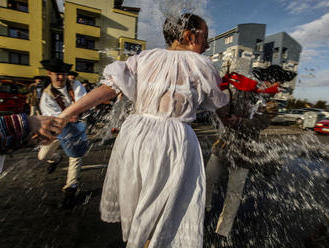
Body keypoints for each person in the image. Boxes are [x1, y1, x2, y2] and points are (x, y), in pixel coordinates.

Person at [57, 13, 229, 248]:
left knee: (141, 201)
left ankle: (143, 241)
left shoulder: (144, 58)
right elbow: (221, 107)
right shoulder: (202, 65)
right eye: (205, 38)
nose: (208, 45)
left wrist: (67, 114)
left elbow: (108, 88)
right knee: (165, 209)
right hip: (171, 140)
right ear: (189, 36)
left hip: (135, 135)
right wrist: (235, 115)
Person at [205, 72, 279, 238]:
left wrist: (238, 121)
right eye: (267, 81)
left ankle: (223, 230)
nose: (269, 85)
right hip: (223, 146)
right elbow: (222, 108)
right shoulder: (240, 91)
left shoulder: (271, 105)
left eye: (272, 83)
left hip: (244, 153)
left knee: (234, 192)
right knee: (207, 178)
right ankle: (204, 206)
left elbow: (260, 124)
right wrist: (222, 103)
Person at [37, 59, 87, 202]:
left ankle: (71, 187)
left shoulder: (75, 85)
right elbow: (56, 118)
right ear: (49, 74)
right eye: (57, 74)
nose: (61, 77)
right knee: (43, 156)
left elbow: (83, 102)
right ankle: (56, 158)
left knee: (75, 156)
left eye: (63, 74)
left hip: (75, 127)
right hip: (56, 129)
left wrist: (75, 114)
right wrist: (71, 114)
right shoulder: (46, 96)